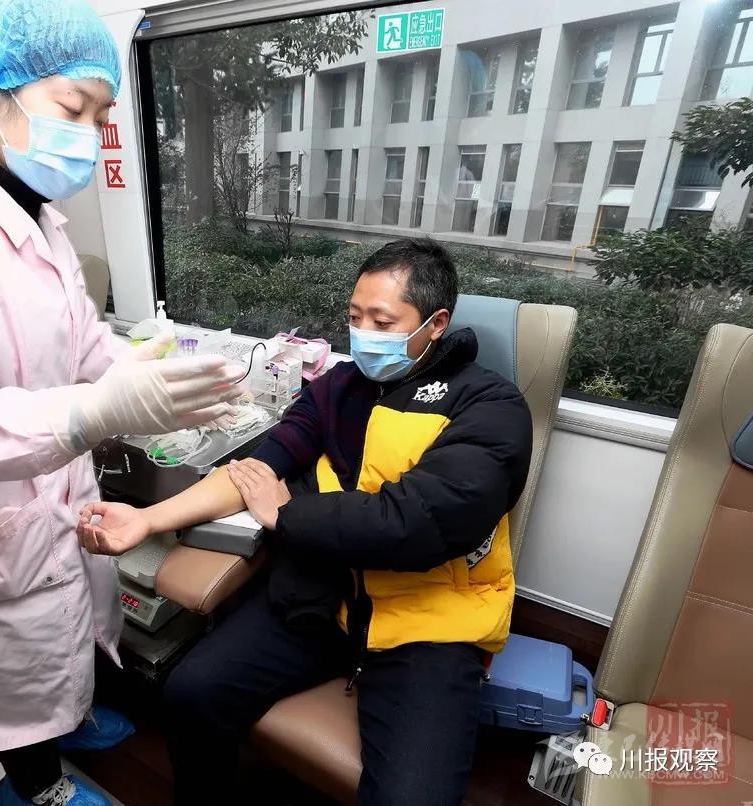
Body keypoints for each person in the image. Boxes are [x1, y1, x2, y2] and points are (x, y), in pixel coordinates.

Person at [0, 2, 241, 805]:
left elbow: (78, 341)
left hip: (53, 494)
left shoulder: (39, 217)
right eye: (75, 108)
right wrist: (90, 414)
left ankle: (67, 715)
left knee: (64, 633)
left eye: (102, 115)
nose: (92, 133)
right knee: (10, 672)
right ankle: (34, 784)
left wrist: (146, 379)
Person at [78, 238, 534, 806]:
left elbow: (418, 522)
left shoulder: (489, 406)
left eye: (382, 322)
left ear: (435, 324)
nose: (363, 333)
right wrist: (146, 520)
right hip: (323, 599)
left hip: (426, 620)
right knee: (192, 692)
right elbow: (253, 472)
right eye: (354, 317)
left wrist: (288, 513)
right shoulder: (336, 389)